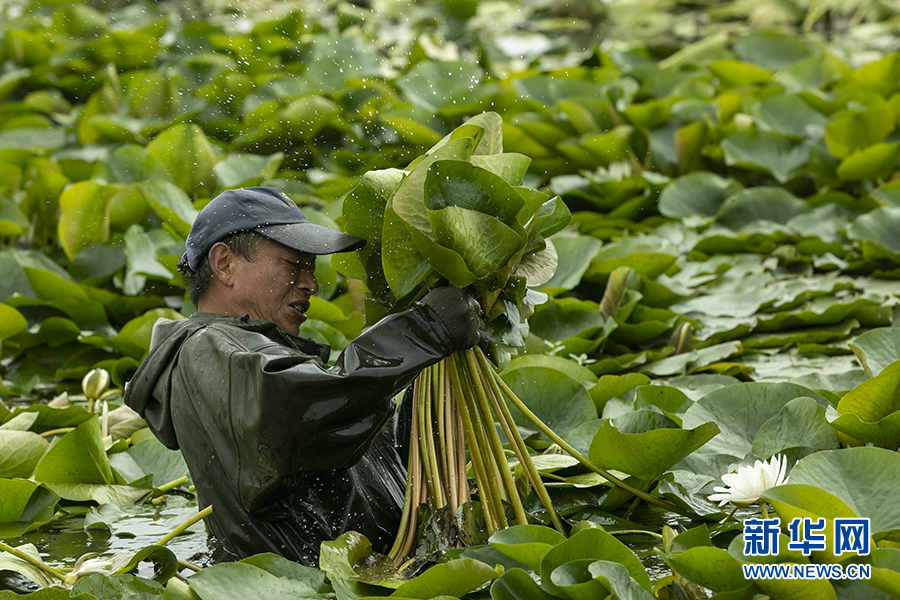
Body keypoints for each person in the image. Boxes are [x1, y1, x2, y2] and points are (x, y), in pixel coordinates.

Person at [123, 187, 483, 566]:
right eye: (293, 264)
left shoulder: (268, 351)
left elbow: (370, 456)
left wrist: (439, 371)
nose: (310, 283)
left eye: (310, 267)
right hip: (312, 588)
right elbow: (304, 412)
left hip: (384, 574)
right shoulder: (206, 349)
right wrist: (423, 329)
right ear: (224, 263)